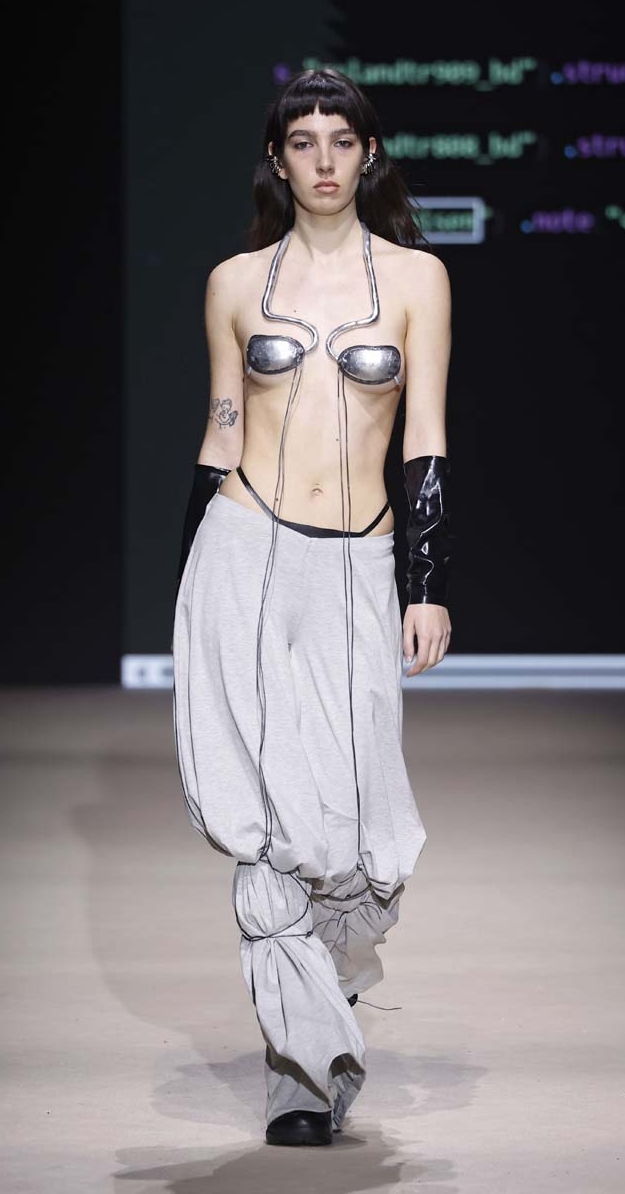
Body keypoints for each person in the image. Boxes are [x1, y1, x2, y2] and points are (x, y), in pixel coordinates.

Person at [171, 68, 452, 1147]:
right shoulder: (235, 282)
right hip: (243, 552)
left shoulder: (418, 279)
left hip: (358, 564)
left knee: (356, 827)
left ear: (368, 156)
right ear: (277, 160)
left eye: (342, 140)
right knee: (260, 816)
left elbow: (424, 438)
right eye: (304, 141)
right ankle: (300, 1070)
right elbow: (221, 431)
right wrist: (187, 587)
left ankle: (327, 995)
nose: (324, 159)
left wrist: (424, 584)